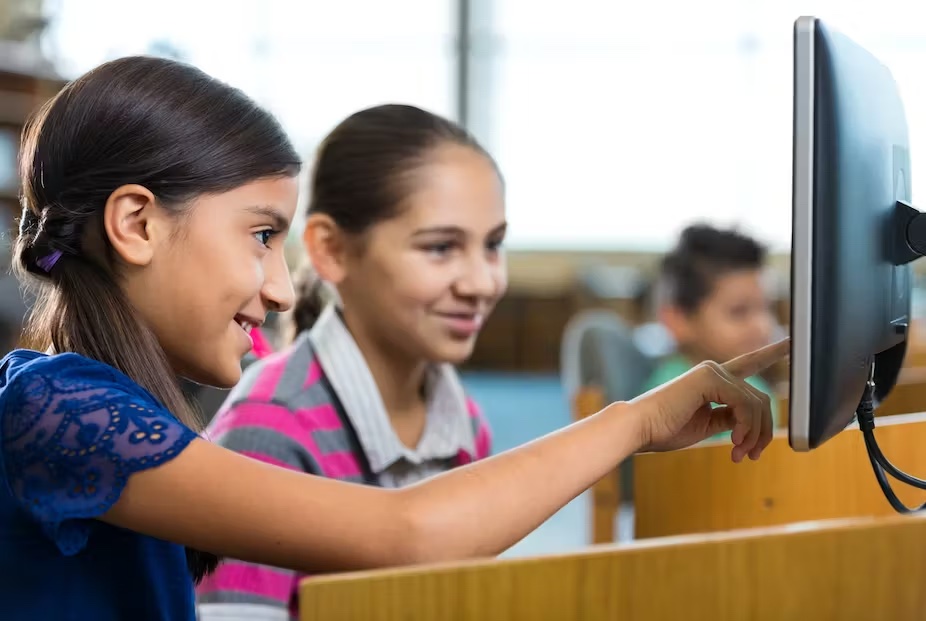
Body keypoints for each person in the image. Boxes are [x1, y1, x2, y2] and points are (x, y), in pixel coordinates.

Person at [0, 55, 785, 621]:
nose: (279, 286)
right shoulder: (56, 408)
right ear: (137, 223)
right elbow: (404, 529)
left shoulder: (111, 410)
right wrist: (635, 420)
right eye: (261, 235)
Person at [196, 105, 500, 621]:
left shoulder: (467, 423)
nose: (481, 283)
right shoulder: (269, 429)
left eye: (493, 245)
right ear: (331, 249)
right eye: (442, 247)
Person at [642, 223, 780, 438]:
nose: (763, 326)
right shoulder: (672, 401)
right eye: (739, 312)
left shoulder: (750, 383)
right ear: (677, 320)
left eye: (766, 308)